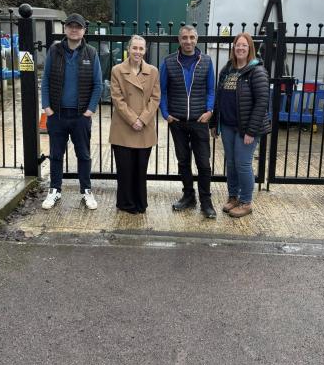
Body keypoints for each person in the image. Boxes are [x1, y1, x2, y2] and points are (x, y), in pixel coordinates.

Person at [40, 13, 103, 210]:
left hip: (80, 116)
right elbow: (46, 80)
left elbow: (98, 85)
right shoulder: (55, 50)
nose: (74, 29)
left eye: (78, 26)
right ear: (65, 29)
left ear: (84, 30)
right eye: (71, 26)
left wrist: (90, 110)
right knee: (56, 154)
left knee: (83, 155)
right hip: (57, 115)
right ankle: (54, 190)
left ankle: (86, 191)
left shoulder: (91, 53)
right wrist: (47, 107)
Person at [210, 32, 270, 218]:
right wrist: (214, 123)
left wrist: (251, 131)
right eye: (238, 45)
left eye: (244, 45)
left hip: (247, 129)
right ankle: (233, 197)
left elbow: (262, 102)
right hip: (227, 125)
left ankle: (246, 201)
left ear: (250, 48)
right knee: (231, 164)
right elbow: (218, 98)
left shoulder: (257, 71)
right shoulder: (227, 70)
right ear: (233, 48)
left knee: (243, 164)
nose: (240, 48)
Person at [160, 25, 216, 218]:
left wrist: (210, 110)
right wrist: (165, 114)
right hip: (177, 121)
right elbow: (162, 90)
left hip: (200, 120)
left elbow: (211, 90)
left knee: (203, 163)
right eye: (185, 37)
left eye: (192, 37)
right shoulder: (168, 62)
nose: (188, 41)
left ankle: (206, 201)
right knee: (183, 161)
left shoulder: (207, 61)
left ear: (197, 39)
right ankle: (188, 196)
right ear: (179, 40)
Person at [109, 35, 160, 214]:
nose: (137, 52)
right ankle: (126, 203)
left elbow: (155, 98)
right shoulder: (117, 70)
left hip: (144, 128)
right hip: (123, 127)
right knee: (125, 169)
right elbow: (117, 98)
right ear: (128, 49)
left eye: (141, 49)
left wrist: (142, 119)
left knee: (140, 168)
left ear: (145, 51)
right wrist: (133, 120)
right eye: (134, 48)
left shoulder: (153, 71)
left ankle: (140, 203)